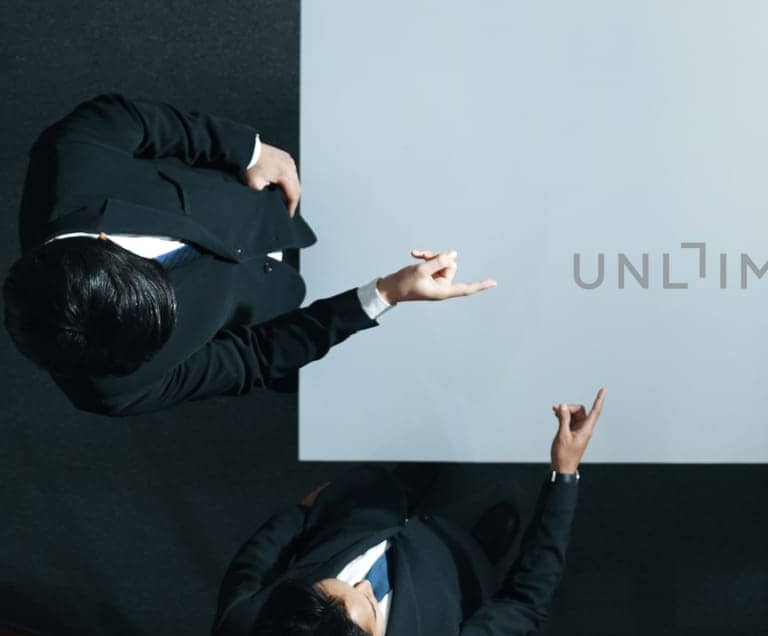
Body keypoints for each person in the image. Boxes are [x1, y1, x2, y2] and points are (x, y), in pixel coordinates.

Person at [3, 93, 496, 415]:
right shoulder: (112, 387)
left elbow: (136, 120)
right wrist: (383, 294)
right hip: (284, 311)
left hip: (269, 204)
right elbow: (253, 359)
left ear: (104, 243)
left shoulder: (70, 161)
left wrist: (250, 151)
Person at [212, 388, 603, 636]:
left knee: (398, 488)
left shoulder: (239, 629)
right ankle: (481, 545)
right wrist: (564, 473)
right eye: (367, 601)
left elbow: (256, 557)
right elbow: (524, 601)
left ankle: (413, 481)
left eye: (332, 584)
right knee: (473, 556)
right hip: (452, 566)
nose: (365, 583)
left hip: (368, 513)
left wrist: (301, 513)